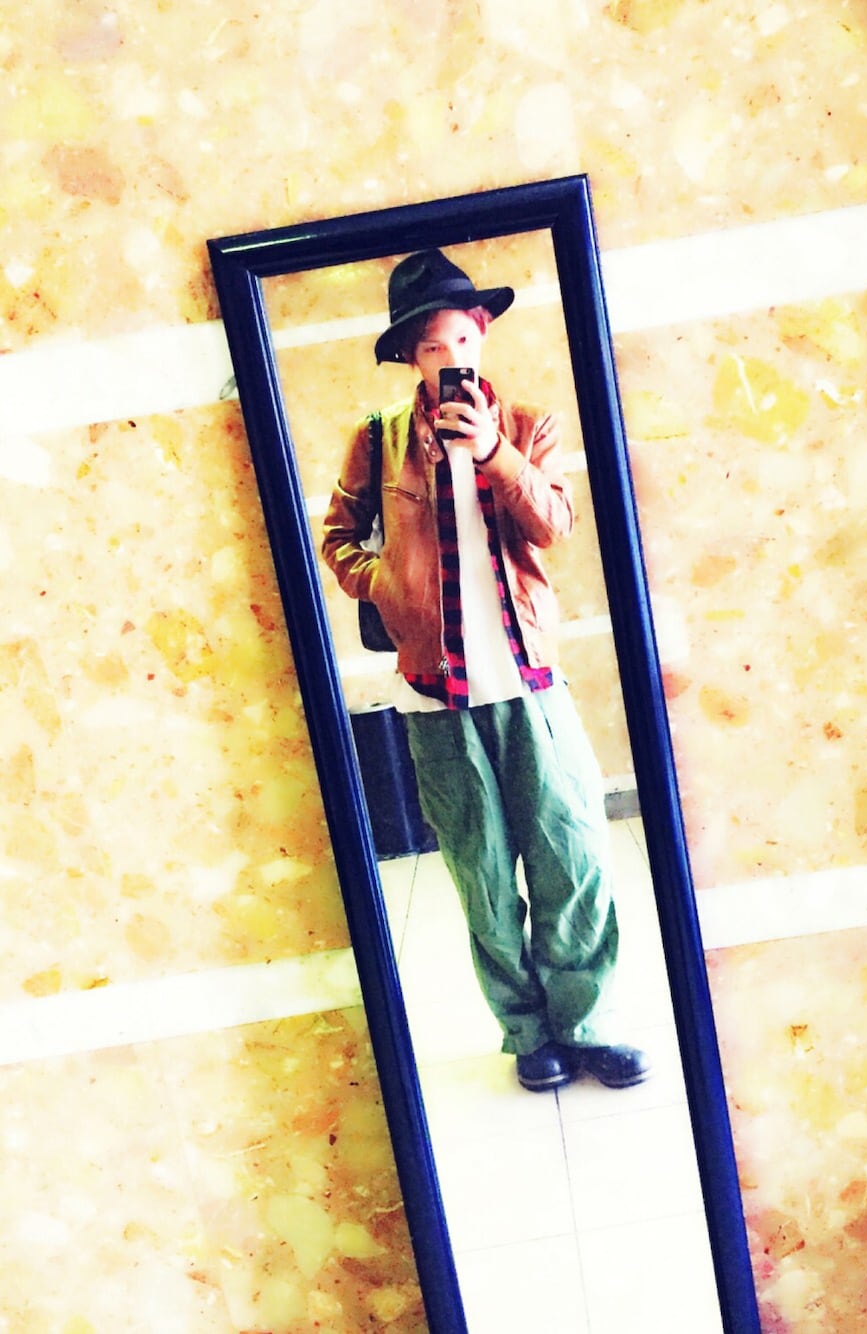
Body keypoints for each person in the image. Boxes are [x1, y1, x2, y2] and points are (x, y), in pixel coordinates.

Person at [321, 248, 649, 1092]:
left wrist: (496, 452)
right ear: (411, 356)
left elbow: (554, 526)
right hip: (435, 696)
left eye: (461, 339)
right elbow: (338, 537)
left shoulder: (531, 426)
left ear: (481, 334)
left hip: (530, 681)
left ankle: (589, 1023)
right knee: (483, 876)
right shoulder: (377, 441)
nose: (450, 359)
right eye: (432, 347)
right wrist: (383, 584)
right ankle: (528, 1032)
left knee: (574, 858)